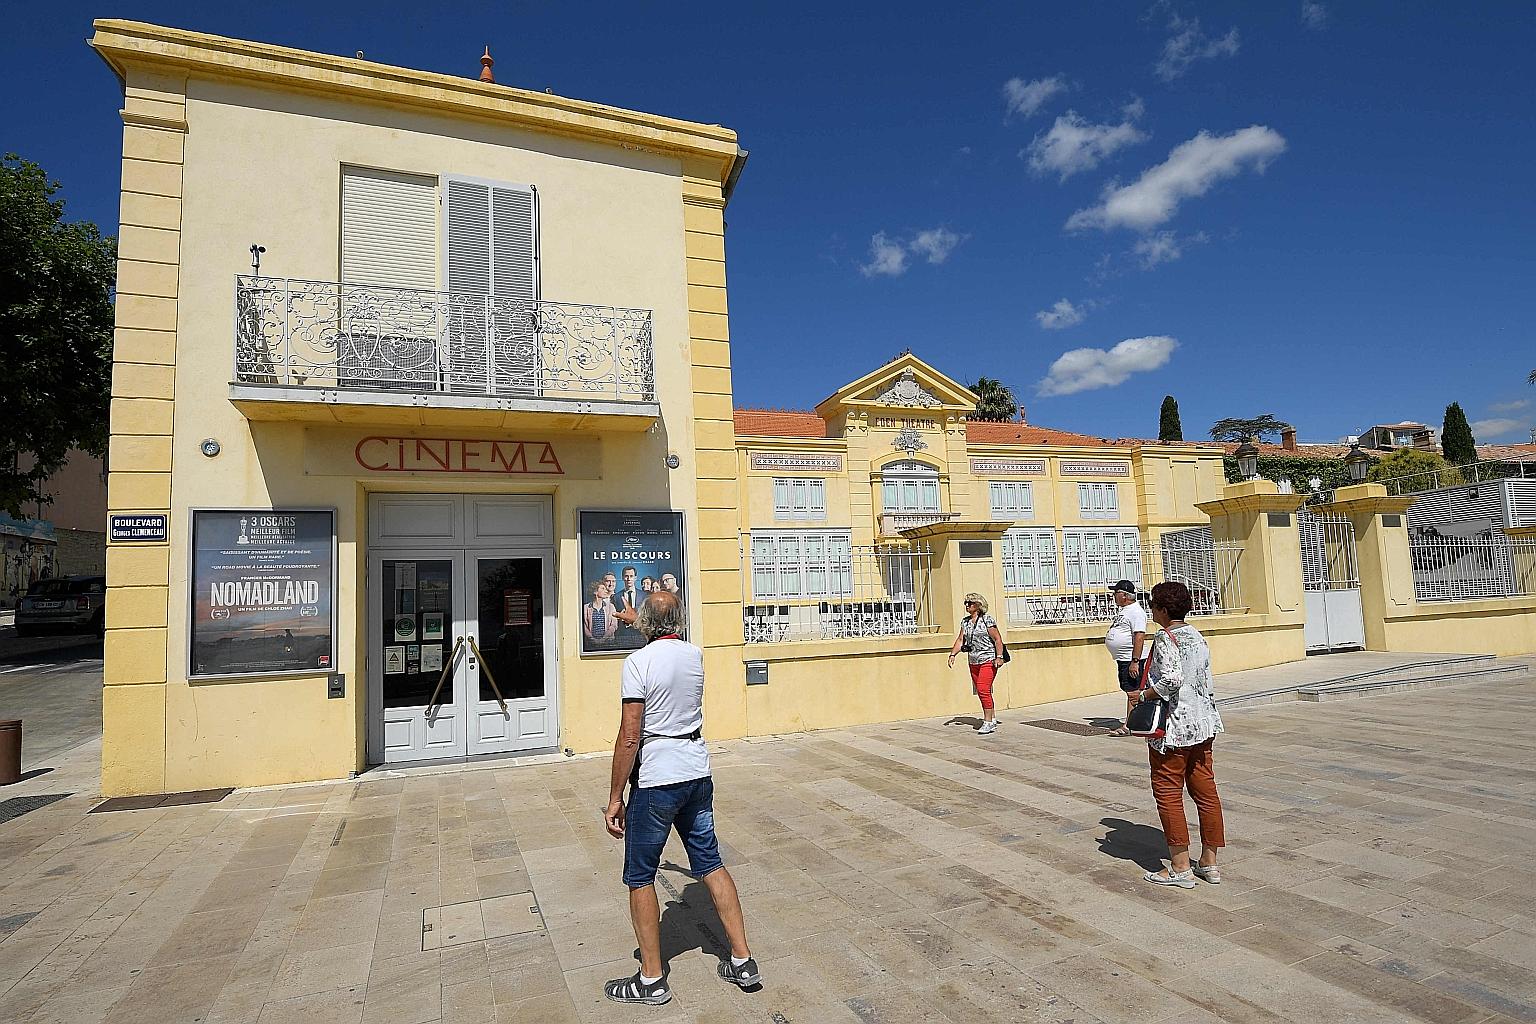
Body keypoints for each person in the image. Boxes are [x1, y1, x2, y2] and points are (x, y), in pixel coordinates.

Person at [603, 591, 759, 1005]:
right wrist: (640, 620)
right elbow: (664, 645)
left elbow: (630, 735)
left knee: (640, 876)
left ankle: (651, 979)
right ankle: (742, 960)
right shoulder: (694, 656)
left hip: (657, 778)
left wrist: (615, 795)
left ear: (646, 624)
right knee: (710, 863)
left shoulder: (637, 663)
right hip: (696, 771)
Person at [1133, 580, 1226, 888]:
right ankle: (1209, 862)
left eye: (1153, 606)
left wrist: (1144, 695)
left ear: (1162, 609)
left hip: (1174, 729)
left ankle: (1180, 867)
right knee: (1206, 793)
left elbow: (1172, 679)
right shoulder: (1197, 635)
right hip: (1203, 724)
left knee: (1168, 793)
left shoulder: (1165, 637)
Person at [947, 593, 1004, 734]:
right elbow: (960, 640)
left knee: (983, 689)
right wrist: (953, 654)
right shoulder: (965, 622)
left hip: (988, 659)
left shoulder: (987, 620)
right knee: (982, 690)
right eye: (966, 603)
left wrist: (999, 657)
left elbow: (997, 639)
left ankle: (987, 721)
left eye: (970, 603)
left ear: (978, 605)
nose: (967, 605)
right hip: (973, 660)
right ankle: (992, 717)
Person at [1105, 580, 1149, 737]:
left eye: (1115, 593)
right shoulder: (1126, 611)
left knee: (1133, 692)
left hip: (1131, 659)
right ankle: (1134, 723)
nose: (1113, 596)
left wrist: (1135, 661)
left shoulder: (1136, 612)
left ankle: (1129, 726)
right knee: (1130, 691)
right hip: (1124, 658)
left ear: (1124, 595)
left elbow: (1139, 637)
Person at [583, 579, 618, 646]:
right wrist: (593, 639)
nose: (606, 591)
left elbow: (614, 625)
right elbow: (584, 626)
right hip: (591, 644)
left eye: (605, 589)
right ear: (595, 592)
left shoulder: (611, 607)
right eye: (602, 589)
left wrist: (603, 639)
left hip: (608, 644)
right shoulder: (586, 608)